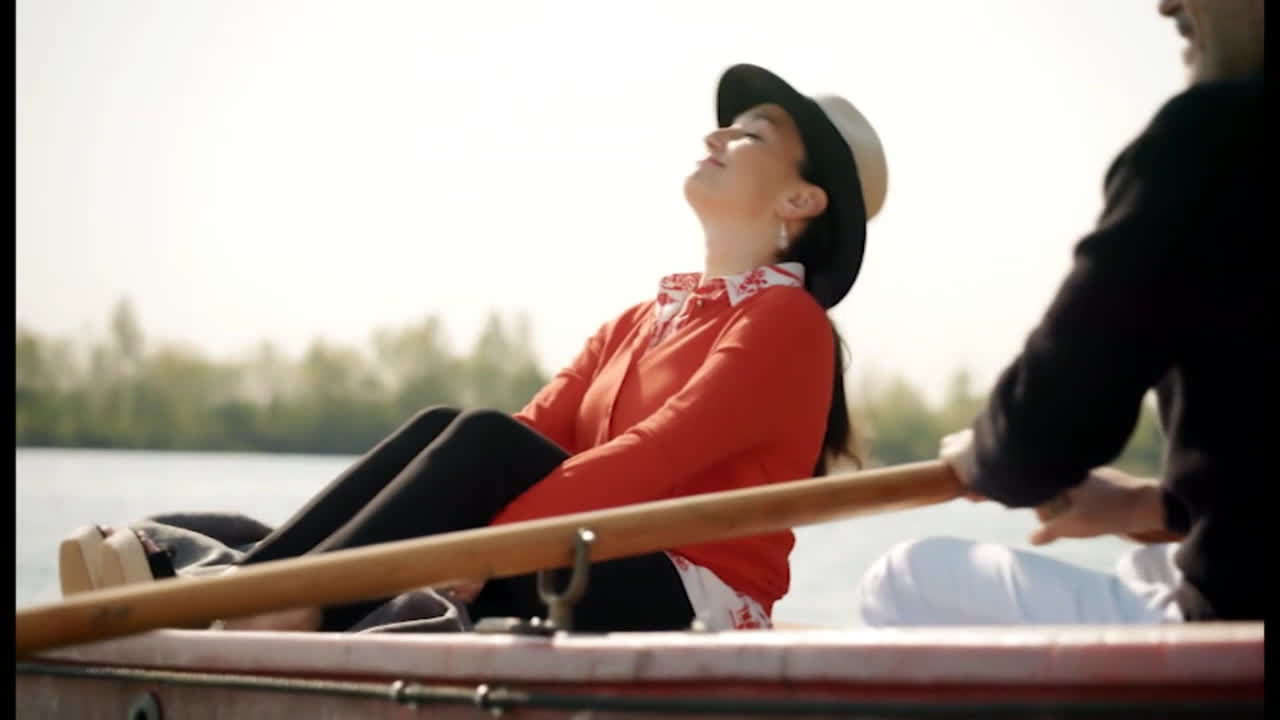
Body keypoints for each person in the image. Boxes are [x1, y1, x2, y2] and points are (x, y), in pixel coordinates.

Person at [60, 62, 890, 634]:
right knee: (449, 425)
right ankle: (244, 592)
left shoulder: (788, 323)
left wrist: (489, 541)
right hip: (580, 554)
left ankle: (258, 604)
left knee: (482, 443)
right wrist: (480, 527)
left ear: (801, 198)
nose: (715, 137)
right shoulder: (643, 319)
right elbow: (522, 436)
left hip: (683, 594)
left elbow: (656, 455)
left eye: (750, 135)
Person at [854, 0, 1264, 626]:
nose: (1166, 6)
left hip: (1237, 630)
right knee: (1148, 565)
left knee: (903, 578)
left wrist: (982, 455)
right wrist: (1153, 506)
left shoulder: (1213, 137)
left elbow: (1044, 433)